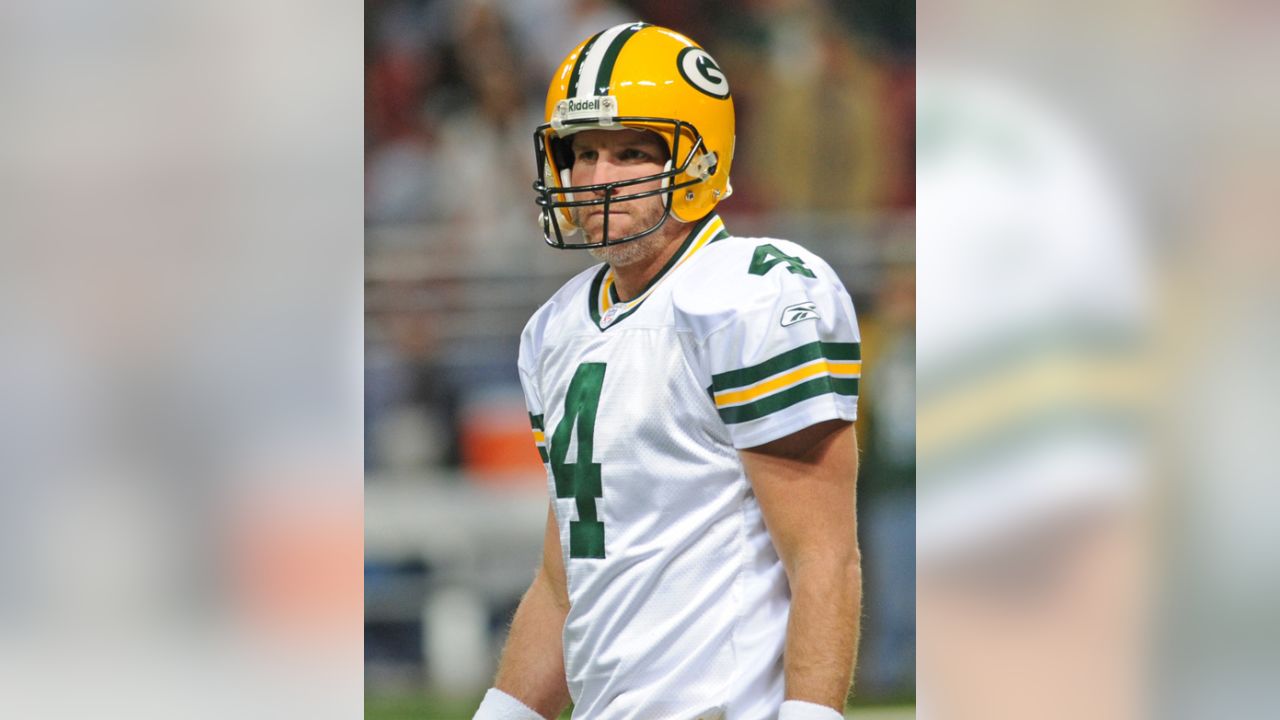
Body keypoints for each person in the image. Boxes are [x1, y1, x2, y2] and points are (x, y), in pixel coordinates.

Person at [472, 23, 862, 720]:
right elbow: (565, 585)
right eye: (582, 152)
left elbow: (824, 558)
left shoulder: (751, 295)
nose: (595, 179)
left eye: (628, 153)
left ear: (701, 156)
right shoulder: (555, 329)